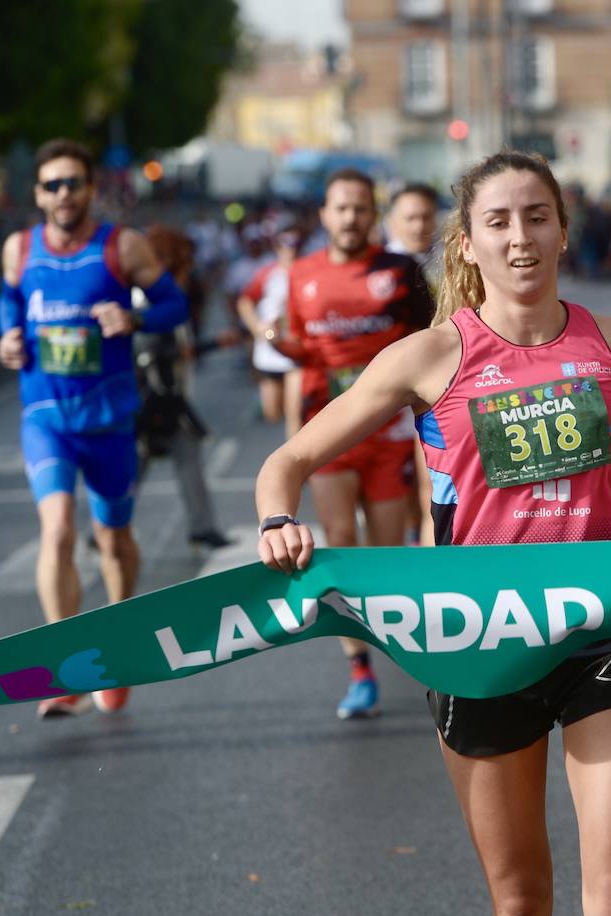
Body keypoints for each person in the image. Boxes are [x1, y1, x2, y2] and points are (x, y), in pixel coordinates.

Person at [255, 150, 611, 915]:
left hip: (600, 626)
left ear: (564, 232)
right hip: (477, 638)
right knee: (520, 900)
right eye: (499, 221)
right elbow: (289, 461)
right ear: (469, 242)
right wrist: (279, 520)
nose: (521, 237)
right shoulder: (428, 356)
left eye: (537, 217)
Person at [0, 138, 187, 719]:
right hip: (46, 417)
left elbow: (174, 305)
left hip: (107, 420)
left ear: (90, 190)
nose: (62, 194)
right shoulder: (19, 247)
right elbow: (10, 299)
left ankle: (119, 645)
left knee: (112, 539)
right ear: (38, 193)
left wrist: (134, 317)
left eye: (72, 183)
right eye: (51, 185)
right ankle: (68, 667)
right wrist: (8, 336)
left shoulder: (121, 247)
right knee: (55, 532)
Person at [268, 167, 435, 719]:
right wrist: (275, 342)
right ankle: (360, 669)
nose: (350, 218)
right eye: (341, 208)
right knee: (337, 539)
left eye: (361, 208)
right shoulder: (303, 275)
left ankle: (406, 646)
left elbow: (433, 342)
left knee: (384, 552)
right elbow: (299, 349)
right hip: (329, 427)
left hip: (387, 432)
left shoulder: (399, 271)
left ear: (373, 214)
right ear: (324, 215)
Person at [133, 224, 235, 551]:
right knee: (134, 465)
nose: (190, 268)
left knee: (177, 455)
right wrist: (214, 345)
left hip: (165, 396)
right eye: (185, 261)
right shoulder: (142, 298)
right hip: (149, 399)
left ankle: (201, 526)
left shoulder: (168, 296)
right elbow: (151, 348)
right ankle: (107, 527)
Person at [384, 182, 442, 546]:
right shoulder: (378, 268)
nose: (419, 225)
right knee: (394, 490)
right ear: (392, 221)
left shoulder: (455, 262)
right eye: (410, 218)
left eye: (425, 217)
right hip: (389, 395)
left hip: (437, 392)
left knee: (431, 487)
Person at [236, 228, 303, 436]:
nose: (289, 251)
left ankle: (296, 459)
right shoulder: (267, 274)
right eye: (284, 246)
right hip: (270, 352)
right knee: (272, 412)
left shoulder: (309, 271)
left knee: (295, 412)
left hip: (297, 350)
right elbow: (245, 301)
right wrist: (256, 326)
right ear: (276, 248)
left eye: (294, 246)